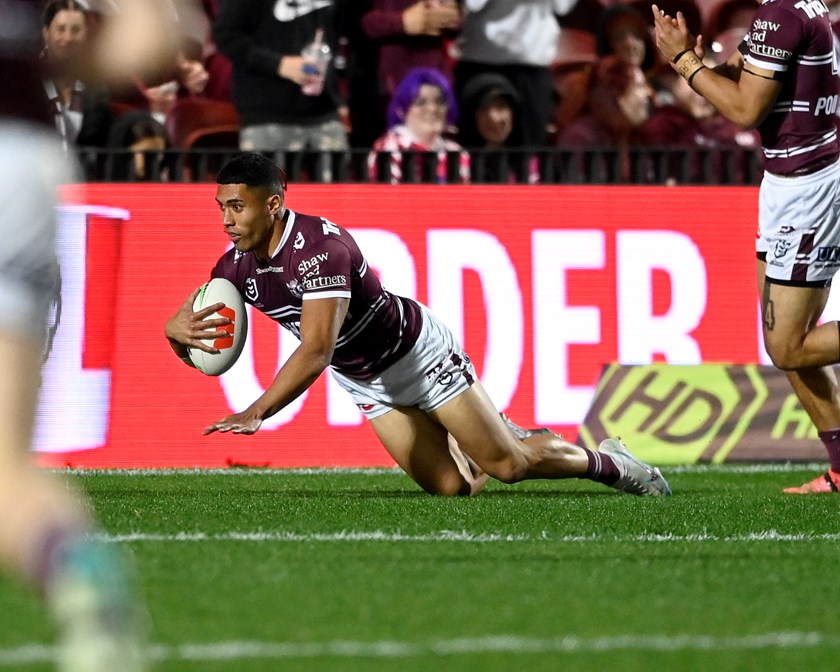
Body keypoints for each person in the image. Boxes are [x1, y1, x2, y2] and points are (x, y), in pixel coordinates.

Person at [164, 151, 672, 499]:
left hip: (417, 356)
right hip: (366, 379)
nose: (227, 220)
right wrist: (175, 334)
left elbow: (317, 348)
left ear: (273, 204)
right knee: (453, 489)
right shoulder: (233, 269)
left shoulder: (320, 250)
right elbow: (202, 340)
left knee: (509, 467)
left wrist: (258, 410)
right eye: (221, 208)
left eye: (237, 206)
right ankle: (490, 429)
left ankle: (616, 465)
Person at [0, 1, 181, 670]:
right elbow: (148, 37)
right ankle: (74, 566)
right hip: (21, 164)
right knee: (5, 471)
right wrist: (43, 64)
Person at [652, 2, 840, 493]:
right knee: (783, 343)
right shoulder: (792, 11)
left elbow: (744, 108)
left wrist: (682, 63)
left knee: (789, 345)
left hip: (806, 185)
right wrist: (703, 64)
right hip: (786, 181)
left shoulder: (781, 14)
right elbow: (742, 76)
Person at [213, 0, 349, 182]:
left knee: (336, 201)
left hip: (324, 110)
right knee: (266, 201)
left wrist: (338, 97)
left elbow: (340, 34)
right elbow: (226, 35)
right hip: (267, 113)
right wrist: (279, 65)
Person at [454, 0, 580, 147]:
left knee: (529, 155)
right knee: (474, 154)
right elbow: (473, 4)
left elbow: (563, 6)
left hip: (533, 65)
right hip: (481, 60)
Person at [555, 56, 654, 182]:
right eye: (639, 86)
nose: (648, 94)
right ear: (616, 93)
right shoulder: (580, 138)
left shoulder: (637, 137)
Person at [368, 67, 470, 184]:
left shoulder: (455, 152)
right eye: (421, 102)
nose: (432, 109)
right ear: (402, 110)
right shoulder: (388, 148)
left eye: (439, 102)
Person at [40, 0, 113, 156]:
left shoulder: (96, 89)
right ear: (46, 33)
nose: (68, 38)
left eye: (75, 30)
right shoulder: (29, 82)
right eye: (60, 29)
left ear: (85, 34)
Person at [457, 72, 538, 183]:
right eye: (484, 109)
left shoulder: (530, 165)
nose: (494, 118)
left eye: (501, 106)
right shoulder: (457, 164)